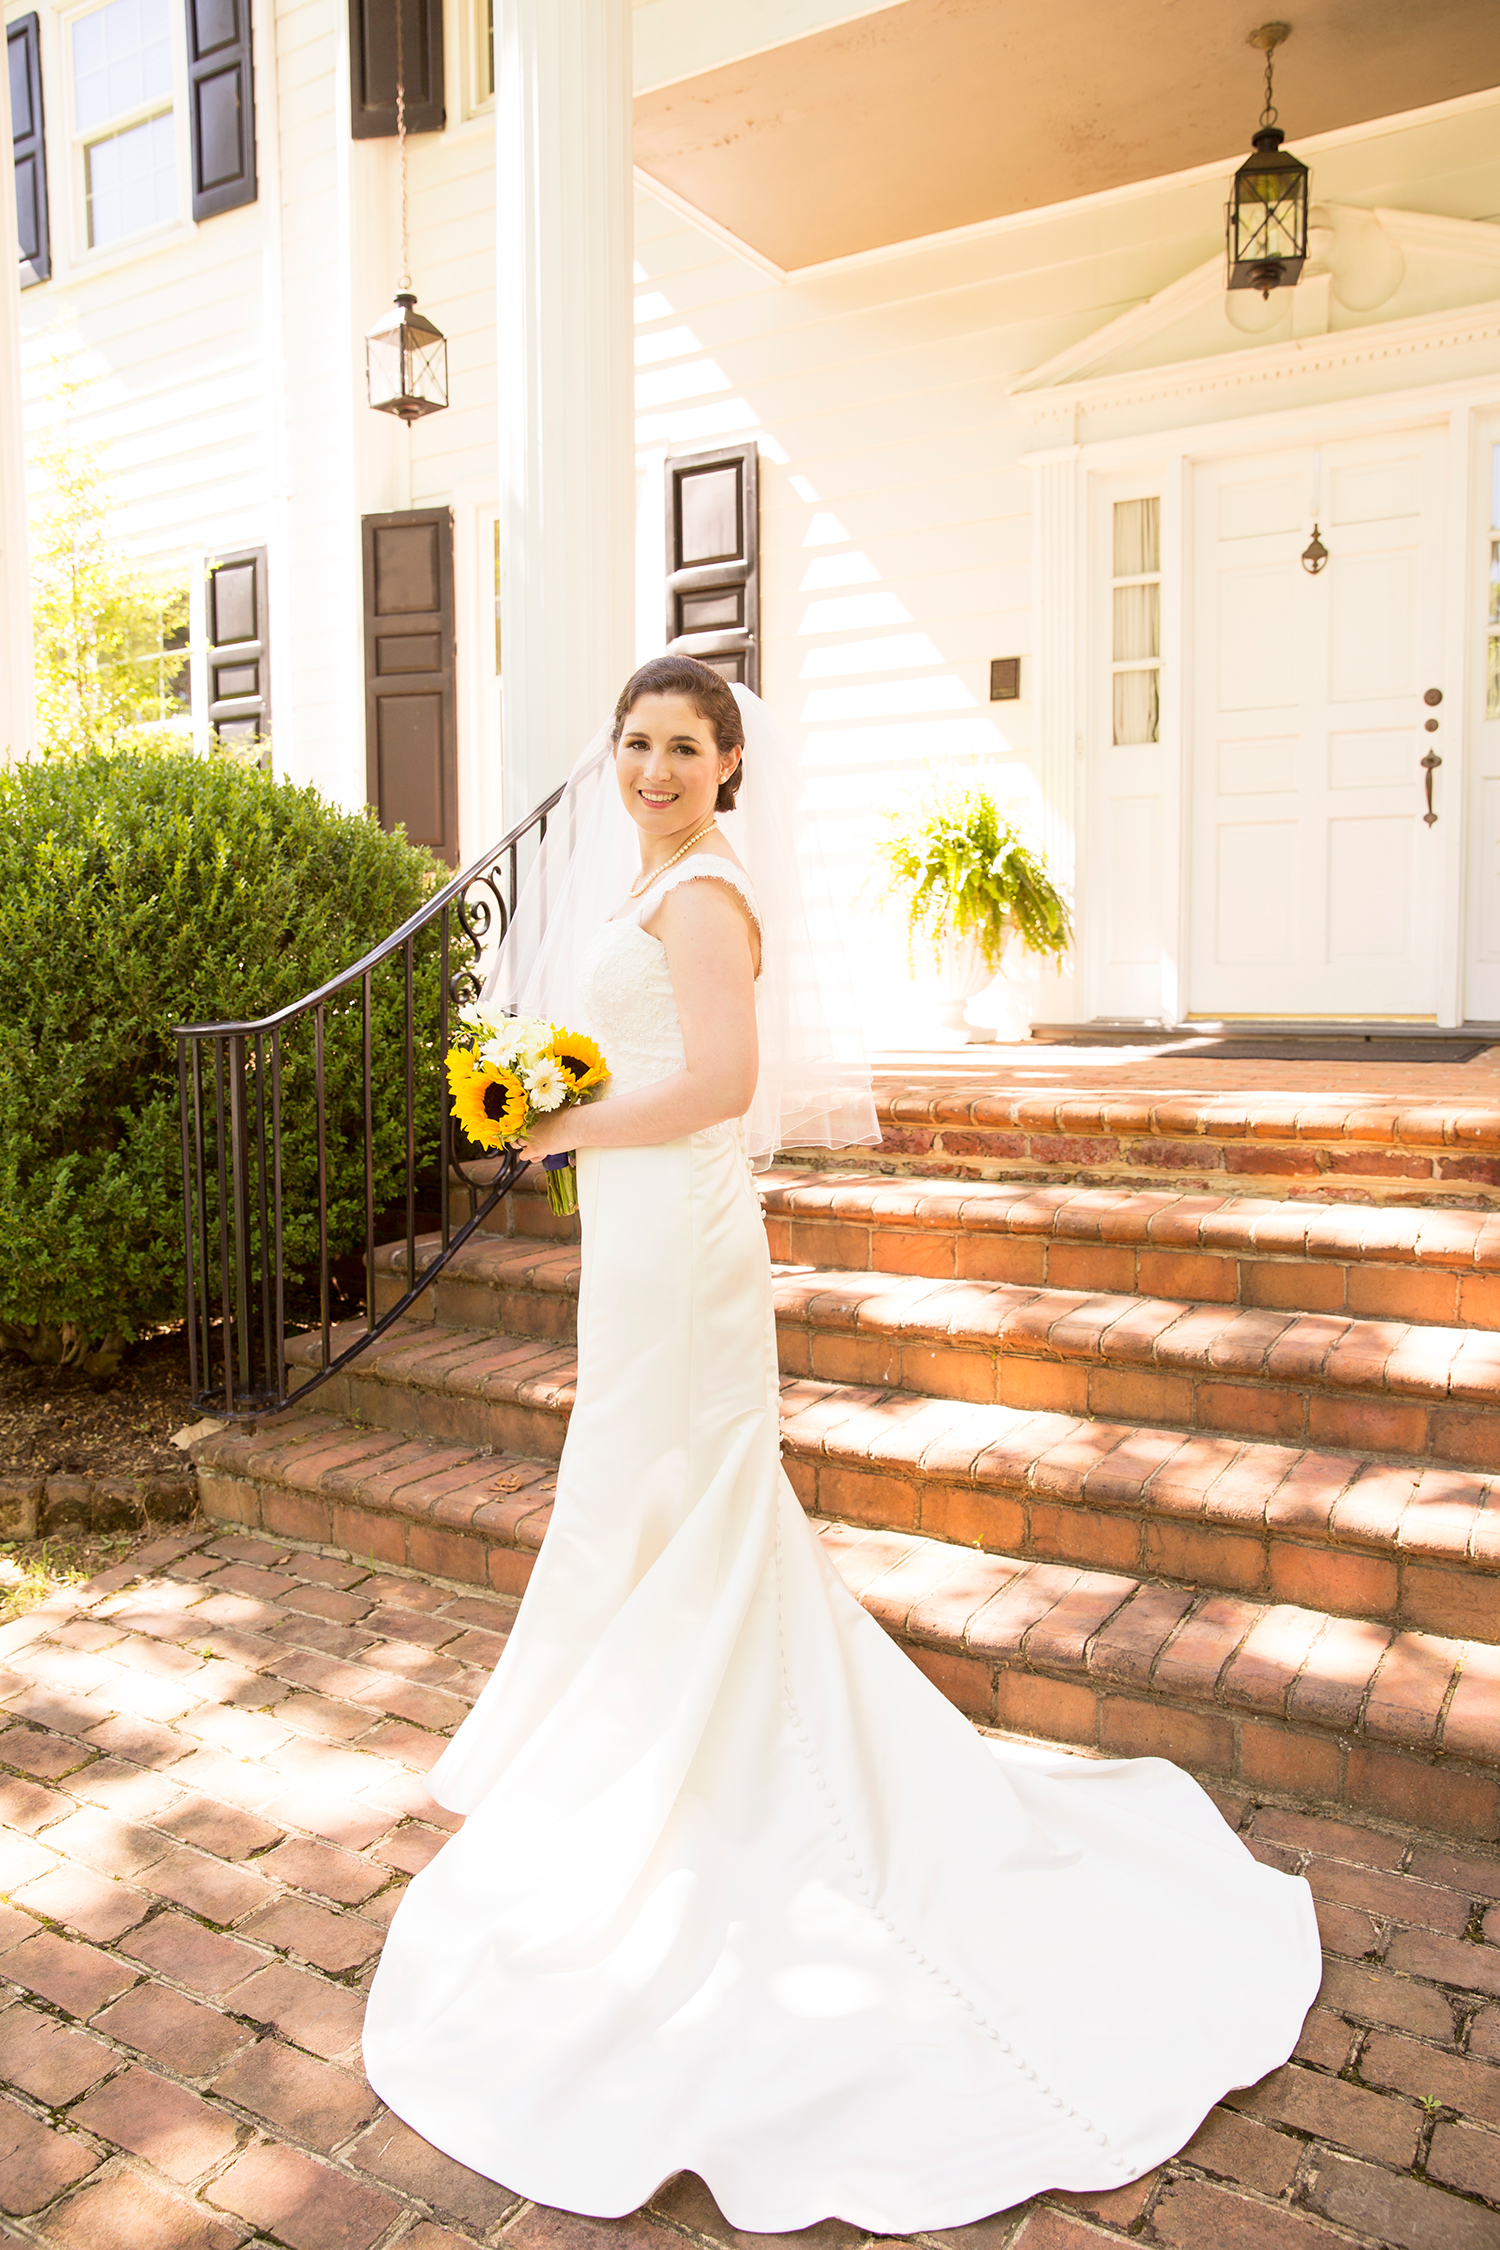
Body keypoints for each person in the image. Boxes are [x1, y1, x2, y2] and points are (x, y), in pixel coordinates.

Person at [362, 658, 1322, 2233]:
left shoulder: (707, 895)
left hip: (679, 1234)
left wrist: (562, 1123)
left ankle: (688, 1785)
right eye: (636, 742)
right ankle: (630, 1771)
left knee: (673, 1489)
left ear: (730, 762)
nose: (655, 765)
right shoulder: (658, 875)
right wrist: (559, 1084)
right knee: (646, 1490)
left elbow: (727, 1083)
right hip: (644, 1231)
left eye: (683, 745)